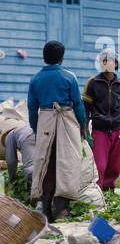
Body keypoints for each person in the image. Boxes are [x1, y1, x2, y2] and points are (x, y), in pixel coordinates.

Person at [28, 41, 87, 222]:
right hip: (66, 123)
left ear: (44, 57)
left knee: (46, 162)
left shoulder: (36, 78)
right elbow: (78, 104)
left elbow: (32, 109)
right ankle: (63, 209)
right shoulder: (69, 77)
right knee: (66, 162)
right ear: (61, 58)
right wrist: (83, 126)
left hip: (45, 123)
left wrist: (37, 129)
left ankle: (46, 210)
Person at [83, 48, 120, 193]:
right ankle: (97, 192)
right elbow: (85, 109)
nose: (105, 63)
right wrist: (85, 131)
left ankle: (109, 190)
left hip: (117, 131)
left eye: (108, 60)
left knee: (115, 167)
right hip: (99, 130)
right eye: (102, 61)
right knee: (100, 166)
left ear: (116, 64)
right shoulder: (92, 83)